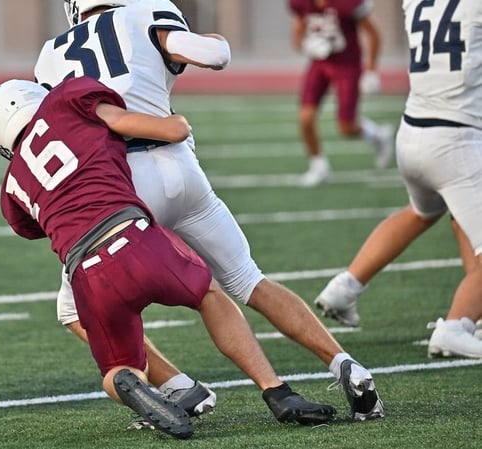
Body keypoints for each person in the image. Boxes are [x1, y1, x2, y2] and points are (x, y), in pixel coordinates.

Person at [34, 0, 384, 422]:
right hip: (182, 166)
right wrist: (214, 39)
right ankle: (346, 364)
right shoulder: (146, 12)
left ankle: (178, 386)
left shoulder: (52, 54)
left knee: (73, 310)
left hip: (122, 185)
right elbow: (213, 55)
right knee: (248, 278)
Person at [0, 76, 337, 439]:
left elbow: (30, 225)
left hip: (86, 275)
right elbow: (149, 127)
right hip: (136, 238)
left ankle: (134, 381)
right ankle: (275, 390)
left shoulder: (11, 186)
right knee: (210, 295)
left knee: (119, 367)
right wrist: (178, 124)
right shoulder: (66, 101)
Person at [315, 0, 482, 358]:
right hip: (456, 140)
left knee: (424, 211)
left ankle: (345, 288)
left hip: (413, 132)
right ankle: (456, 326)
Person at [289, 0, 393, 187]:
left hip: (347, 65)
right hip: (320, 64)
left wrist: (371, 71)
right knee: (305, 117)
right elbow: (297, 35)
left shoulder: (346, 2)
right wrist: (306, 45)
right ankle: (318, 166)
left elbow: (373, 34)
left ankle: (378, 136)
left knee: (346, 126)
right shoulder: (301, 3)